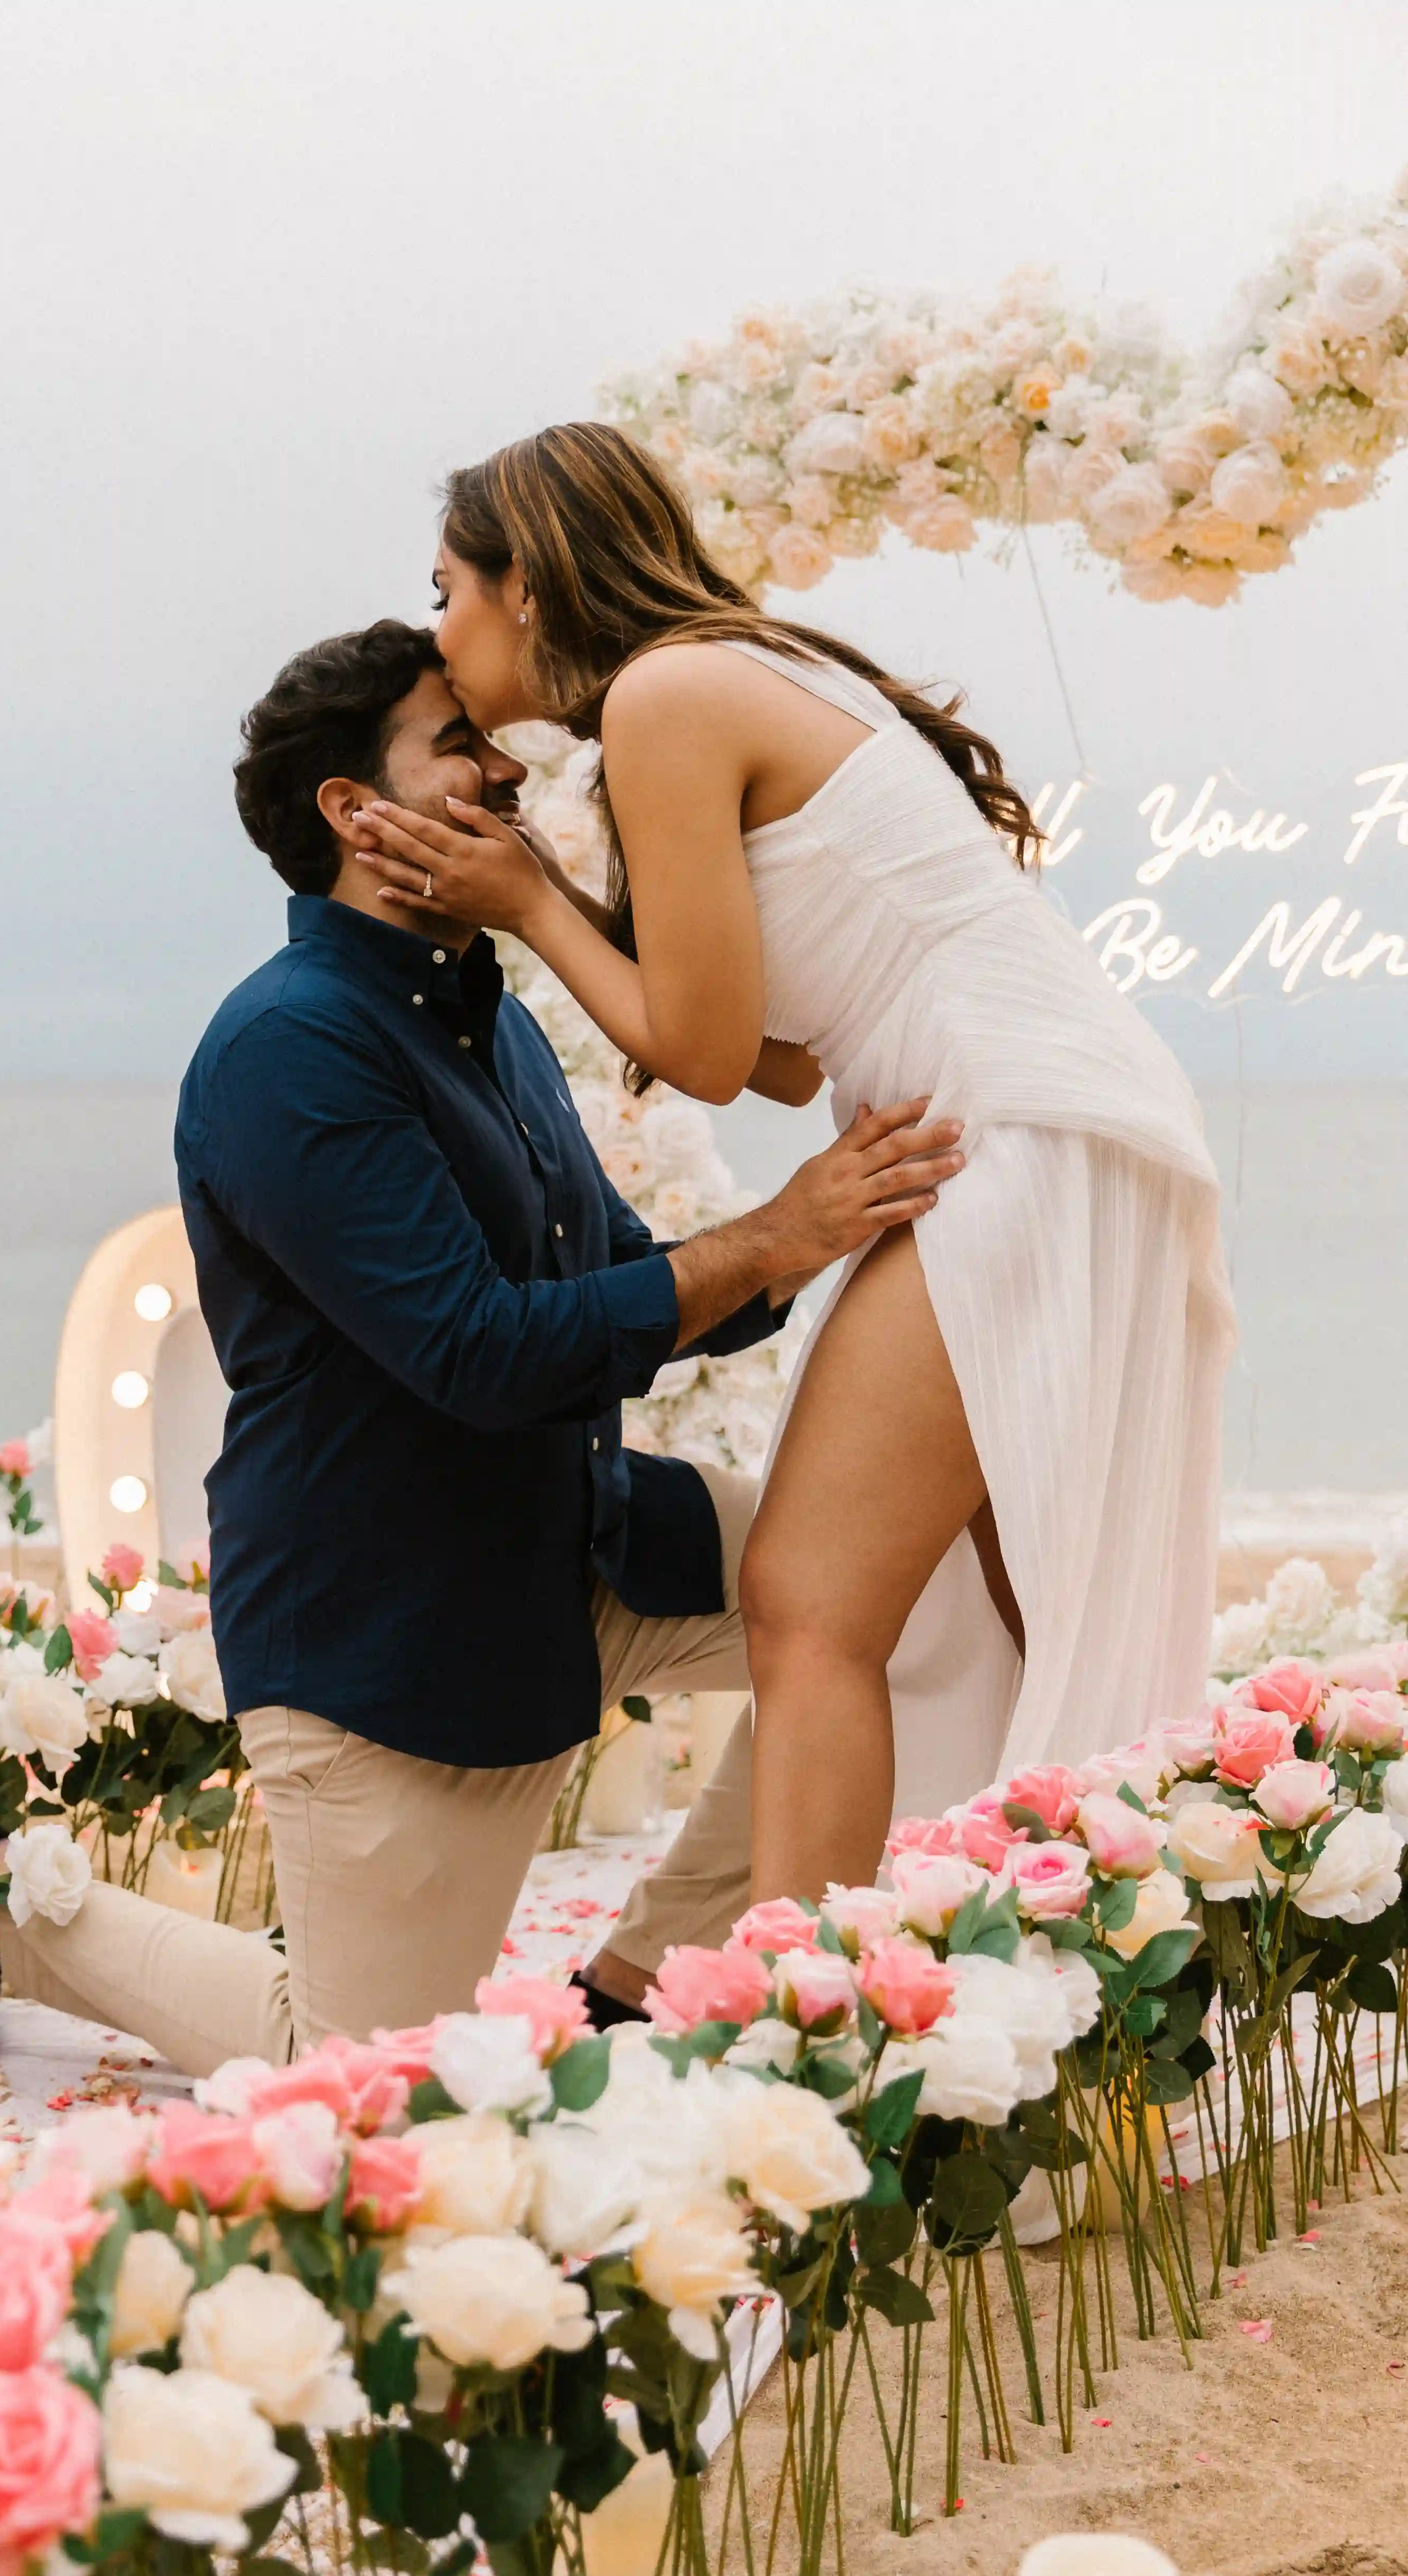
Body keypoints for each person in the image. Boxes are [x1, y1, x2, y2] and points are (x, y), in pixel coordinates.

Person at [0, 618, 968, 2070]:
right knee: (363, 2073)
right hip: (396, 1631)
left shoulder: (493, 1022)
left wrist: (838, 1236)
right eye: (459, 744)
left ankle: (645, 1978)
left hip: (593, 1546)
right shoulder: (290, 1048)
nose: (505, 765)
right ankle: (12, 1914)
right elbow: (480, 1351)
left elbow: (624, 1283)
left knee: (897, 1614)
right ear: (355, 809)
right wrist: (778, 1235)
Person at [347, 424, 1235, 1909]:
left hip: (1004, 1131)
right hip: (1034, 1121)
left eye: (448, 590)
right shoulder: (729, 671)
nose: (437, 630)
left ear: (531, 587)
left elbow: (700, 1054)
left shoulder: (666, 697)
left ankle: (796, 2027)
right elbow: (787, 1054)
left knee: (806, 1602)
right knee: (1030, 1605)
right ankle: (1095, 1949)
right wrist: (561, 894)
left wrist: (524, 903)